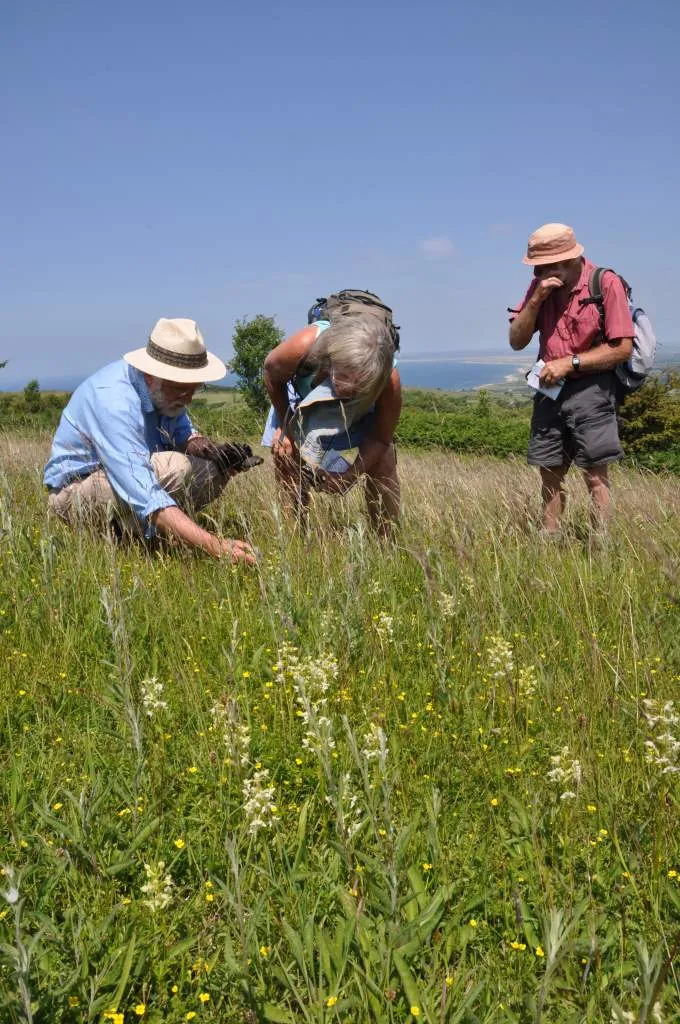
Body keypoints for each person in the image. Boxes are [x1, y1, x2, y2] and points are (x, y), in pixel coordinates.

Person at [44, 317, 259, 563]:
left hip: (120, 483)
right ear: (150, 377)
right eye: (182, 390)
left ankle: (144, 534)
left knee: (212, 470)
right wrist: (215, 545)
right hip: (74, 493)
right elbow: (142, 489)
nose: (188, 399)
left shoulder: (165, 392)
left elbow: (182, 433)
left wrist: (211, 451)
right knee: (176, 468)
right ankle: (129, 536)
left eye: (195, 388)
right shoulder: (114, 401)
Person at [509, 223, 634, 534]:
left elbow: (622, 349)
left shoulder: (604, 283)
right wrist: (536, 300)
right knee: (549, 472)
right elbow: (516, 340)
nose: (537, 272)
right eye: (536, 267)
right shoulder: (539, 286)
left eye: (542, 266)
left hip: (592, 389)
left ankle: (601, 546)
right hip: (549, 390)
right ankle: (549, 540)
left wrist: (571, 363)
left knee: (594, 473)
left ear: (566, 261)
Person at [262, 301, 402, 536]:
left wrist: (350, 476)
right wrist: (285, 426)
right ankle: (295, 539)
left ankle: (387, 544)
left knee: (384, 462)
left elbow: (380, 438)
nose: (346, 388)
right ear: (331, 359)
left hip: (359, 414)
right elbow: (271, 373)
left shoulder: (389, 380)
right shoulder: (305, 345)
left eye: (359, 384)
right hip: (301, 400)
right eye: (344, 376)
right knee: (285, 455)